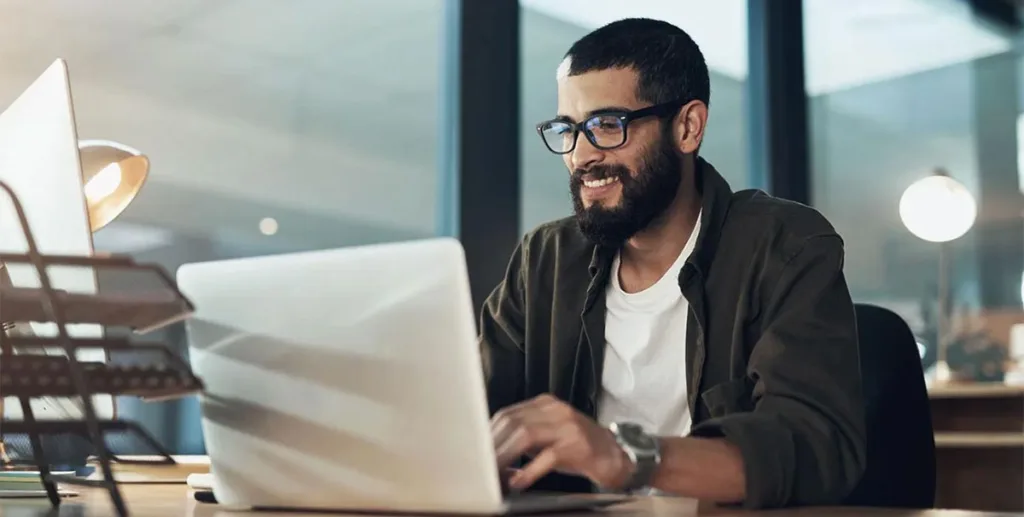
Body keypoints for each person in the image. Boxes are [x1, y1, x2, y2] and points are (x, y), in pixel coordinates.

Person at [480, 18, 865, 509]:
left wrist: (626, 456)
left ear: (687, 127)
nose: (580, 155)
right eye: (568, 129)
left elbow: (815, 446)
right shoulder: (545, 260)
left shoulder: (784, 245)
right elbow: (470, 412)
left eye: (606, 125)